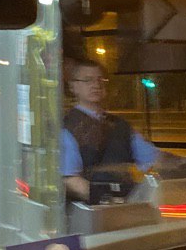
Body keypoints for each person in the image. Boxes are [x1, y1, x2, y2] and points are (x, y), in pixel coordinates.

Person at [62, 58, 160, 203]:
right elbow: (69, 179)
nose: (96, 85)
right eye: (88, 80)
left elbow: (152, 158)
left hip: (125, 203)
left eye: (100, 80)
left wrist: (183, 162)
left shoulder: (121, 125)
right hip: (90, 209)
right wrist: (107, 200)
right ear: (73, 87)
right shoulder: (67, 127)